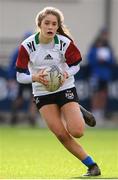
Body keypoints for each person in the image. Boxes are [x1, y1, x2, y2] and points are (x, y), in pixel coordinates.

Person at [16, 7, 101, 176]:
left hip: (65, 87)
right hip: (42, 92)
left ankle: (76, 107)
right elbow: (19, 76)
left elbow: (76, 65)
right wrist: (36, 77)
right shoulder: (27, 46)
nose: (50, 27)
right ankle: (92, 166)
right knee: (61, 134)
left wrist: (65, 73)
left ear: (57, 26)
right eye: (47, 23)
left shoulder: (64, 42)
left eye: (54, 24)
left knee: (77, 131)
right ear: (39, 24)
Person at [8, 32, 37, 126]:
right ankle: (28, 118)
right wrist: (12, 78)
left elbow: (12, 65)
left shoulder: (19, 50)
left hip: (29, 78)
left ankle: (19, 117)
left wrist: (11, 78)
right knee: (30, 99)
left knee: (27, 98)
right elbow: (13, 65)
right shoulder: (23, 51)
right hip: (25, 78)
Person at [87, 28, 115, 123]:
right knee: (96, 94)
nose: (104, 36)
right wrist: (97, 60)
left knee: (103, 94)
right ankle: (95, 113)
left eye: (106, 34)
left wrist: (106, 60)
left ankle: (101, 112)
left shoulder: (108, 47)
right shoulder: (94, 46)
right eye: (103, 34)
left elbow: (112, 61)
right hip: (96, 74)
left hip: (105, 75)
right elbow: (89, 60)